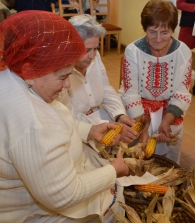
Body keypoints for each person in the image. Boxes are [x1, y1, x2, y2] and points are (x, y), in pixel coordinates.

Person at [0, 11, 132, 223]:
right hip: (15, 214)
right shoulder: (32, 124)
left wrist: (89, 130)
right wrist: (113, 171)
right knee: (114, 202)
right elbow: (64, 195)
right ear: (30, 72)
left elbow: (54, 119)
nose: (68, 84)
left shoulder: (9, 77)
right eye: (63, 76)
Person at [118, 0, 193, 165]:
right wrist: (143, 125)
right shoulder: (133, 51)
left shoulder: (183, 52)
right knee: (136, 157)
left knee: (168, 162)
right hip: (138, 112)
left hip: (170, 113)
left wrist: (166, 121)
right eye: (152, 31)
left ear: (173, 30)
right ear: (145, 29)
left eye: (165, 32)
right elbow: (130, 92)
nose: (158, 39)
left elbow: (181, 92)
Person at [58, 14, 138, 145]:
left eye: (95, 48)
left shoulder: (95, 57)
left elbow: (106, 89)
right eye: (87, 49)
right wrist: (108, 126)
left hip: (98, 120)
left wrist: (119, 115)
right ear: (70, 46)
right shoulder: (60, 72)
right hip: (76, 131)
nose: (92, 55)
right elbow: (69, 116)